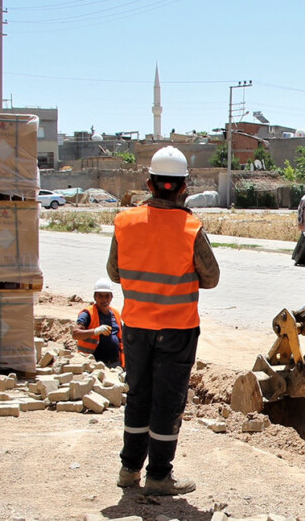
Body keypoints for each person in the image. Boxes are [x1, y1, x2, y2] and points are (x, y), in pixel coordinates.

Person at [107, 146, 220, 497]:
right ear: (184, 186)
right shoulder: (190, 227)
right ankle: (158, 475)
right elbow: (211, 277)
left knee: (138, 394)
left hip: (137, 326)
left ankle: (129, 470)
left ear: (149, 183)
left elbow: (114, 272)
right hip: (178, 328)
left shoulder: (125, 222)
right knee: (167, 401)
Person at [72, 277, 124, 368]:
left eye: (107, 296)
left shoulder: (116, 314)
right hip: (93, 365)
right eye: (100, 296)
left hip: (115, 364)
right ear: (95, 297)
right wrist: (95, 331)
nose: (104, 300)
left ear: (111, 297)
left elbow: (122, 339)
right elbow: (75, 334)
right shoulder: (88, 314)